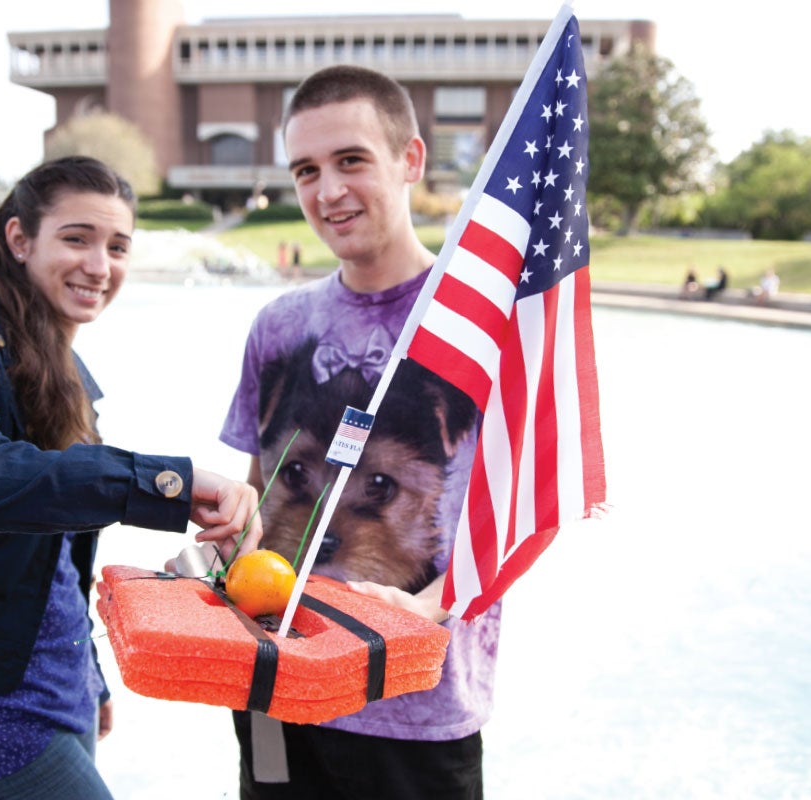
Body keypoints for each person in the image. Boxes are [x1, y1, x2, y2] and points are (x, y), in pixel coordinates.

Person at [0, 156, 263, 800]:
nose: (100, 265)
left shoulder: (68, 372)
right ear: (19, 239)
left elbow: (55, 556)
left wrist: (88, 674)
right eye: (77, 238)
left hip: (59, 682)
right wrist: (168, 481)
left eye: (118, 246)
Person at [220, 65, 495, 799]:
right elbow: (262, 493)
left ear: (409, 161)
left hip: (414, 713)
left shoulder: (479, 333)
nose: (327, 192)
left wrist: (430, 605)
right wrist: (226, 550)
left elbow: (525, 518)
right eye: (306, 170)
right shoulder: (277, 329)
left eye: (351, 161)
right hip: (276, 691)